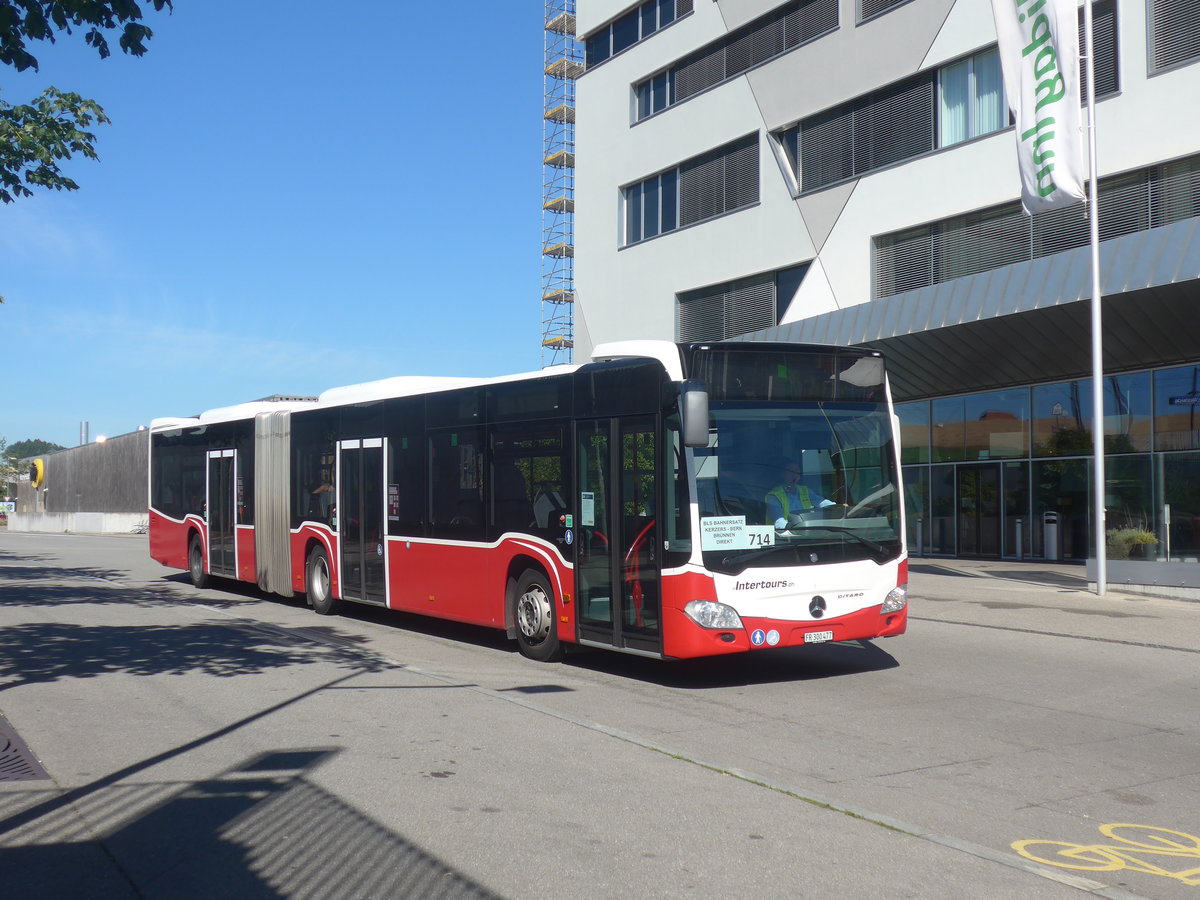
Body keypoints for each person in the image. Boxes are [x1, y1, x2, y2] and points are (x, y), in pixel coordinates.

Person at [765, 460, 835, 530]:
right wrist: (794, 528)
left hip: (807, 532)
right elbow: (779, 522)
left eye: (797, 472)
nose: (794, 475)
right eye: (790, 471)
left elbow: (822, 502)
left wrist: (837, 507)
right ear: (783, 474)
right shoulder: (774, 496)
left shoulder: (805, 491)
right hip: (783, 536)